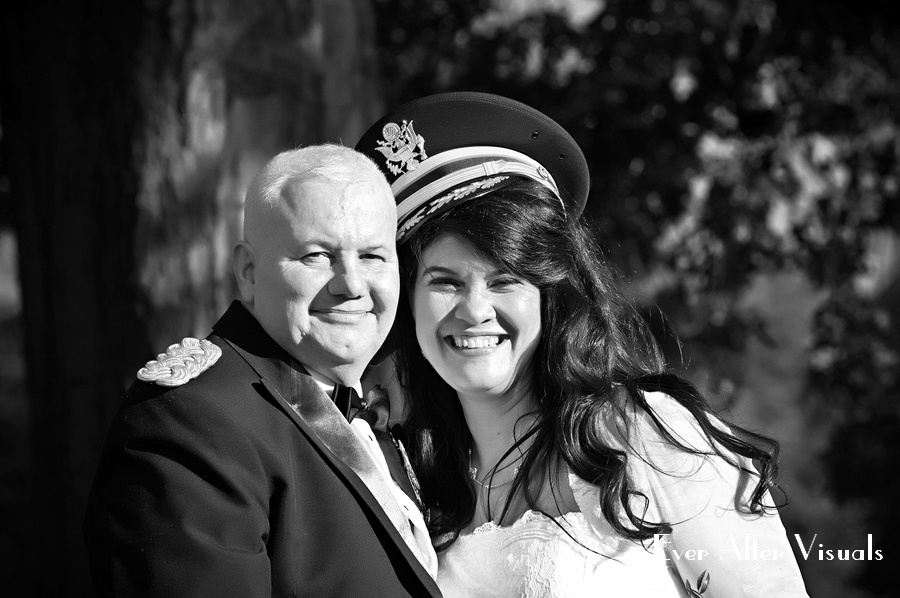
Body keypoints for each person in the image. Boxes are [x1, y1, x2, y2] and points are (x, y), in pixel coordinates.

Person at [356, 92, 810, 597]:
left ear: (550, 294)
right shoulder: (414, 492)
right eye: (445, 282)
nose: (474, 310)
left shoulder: (642, 434)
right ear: (408, 301)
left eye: (505, 280)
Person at [83, 144, 441, 598]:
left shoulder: (370, 404)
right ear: (248, 271)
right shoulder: (190, 424)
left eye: (372, 256)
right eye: (317, 255)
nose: (351, 284)